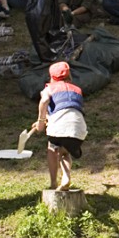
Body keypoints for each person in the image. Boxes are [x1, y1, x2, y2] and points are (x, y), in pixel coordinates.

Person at [33, 62, 88, 191]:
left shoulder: (49, 88)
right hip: (78, 127)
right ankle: (66, 177)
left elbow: (45, 101)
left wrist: (40, 121)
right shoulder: (77, 90)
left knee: (52, 149)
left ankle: (53, 182)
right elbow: (66, 107)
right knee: (65, 152)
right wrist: (47, 117)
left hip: (60, 125)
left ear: (51, 76)